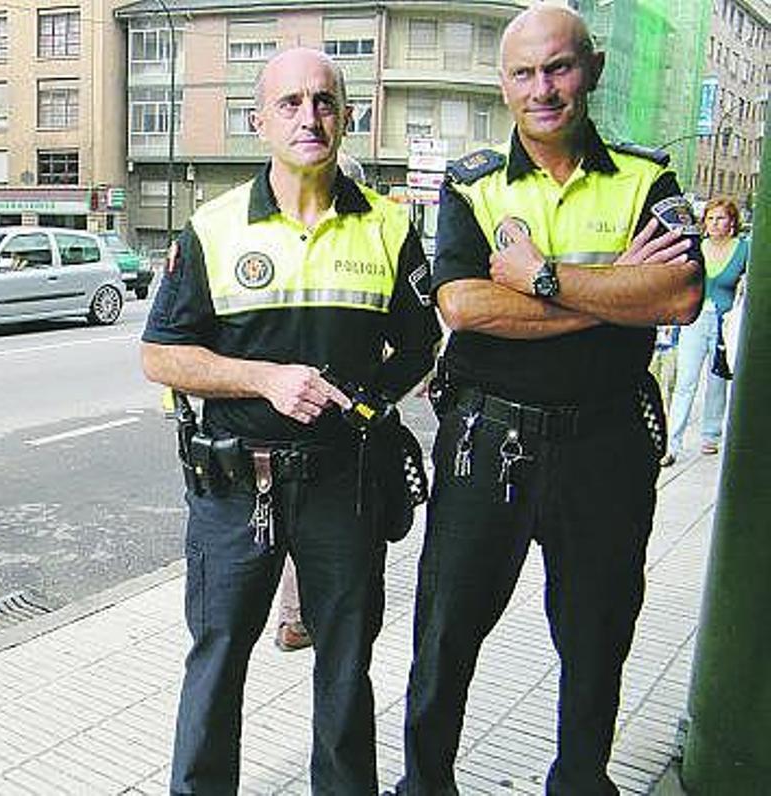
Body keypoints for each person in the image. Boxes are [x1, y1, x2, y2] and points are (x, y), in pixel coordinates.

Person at [396, 7, 702, 796]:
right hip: (485, 445)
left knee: (598, 636)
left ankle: (579, 782)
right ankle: (425, 785)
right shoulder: (473, 185)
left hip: (606, 448)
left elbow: (681, 294)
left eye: (559, 67)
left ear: (591, 71)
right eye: (525, 73)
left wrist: (541, 276)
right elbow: (464, 307)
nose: (544, 88)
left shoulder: (646, 177)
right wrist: (616, 291)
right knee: (445, 634)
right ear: (503, 85)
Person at [141, 48, 439, 794]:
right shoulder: (211, 229)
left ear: (346, 116)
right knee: (216, 662)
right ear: (259, 121)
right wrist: (264, 379)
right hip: (236, 488)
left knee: (346, 666)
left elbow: (417, 345)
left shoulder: (389, 228)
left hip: (347, 485)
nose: (310, 117)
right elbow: (161, 356)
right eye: (291, 103)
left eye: (325, 102)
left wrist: (365, 405)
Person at [274, 149, 368, 654]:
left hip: (332, 424)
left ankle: (299, 617)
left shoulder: (369, 243)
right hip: (296, 420)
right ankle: (297, 617)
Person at [662, 196, 748, 465]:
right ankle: (672, 441)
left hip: (725, 321)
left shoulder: (743, 249)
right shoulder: (697, 247)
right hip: (696, 319)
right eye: (710, 218)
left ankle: (711, 435)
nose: (714, 223)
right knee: (686, 381)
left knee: (717, 381)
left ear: (732, 222)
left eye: (720, 218)